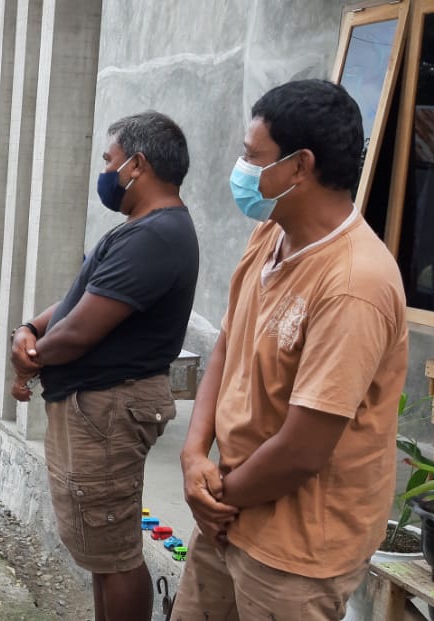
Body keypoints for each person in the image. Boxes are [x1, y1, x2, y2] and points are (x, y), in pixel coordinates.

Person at [172, 80, 408, 620]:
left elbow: (303, 448)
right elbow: (229, 342)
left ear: (300, 167)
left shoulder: (355, 284)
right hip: (228, 507)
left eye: (252, 156)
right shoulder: (270, 232)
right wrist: (192, 455)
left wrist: (217, 500)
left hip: (295, 547)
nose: (241, 168)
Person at [10, 111, 198, 621]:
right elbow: (77, 302)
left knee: (114, 553)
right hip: (98, 408)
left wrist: (29, 359)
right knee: (100, 546)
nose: (106, 172)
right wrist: (29, 328)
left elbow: (80, 330)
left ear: (137, 164)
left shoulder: (155, 235)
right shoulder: (139, 229)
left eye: (109, 161)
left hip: (110, 411)